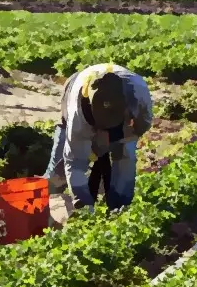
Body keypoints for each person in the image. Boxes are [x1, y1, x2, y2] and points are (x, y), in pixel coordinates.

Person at [47, 62, 153, 215]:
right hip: (74, 86)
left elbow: (143, 125)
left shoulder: (138, 93)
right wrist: (84, 204)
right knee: (62, 165)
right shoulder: (77, 112)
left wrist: (119, 138)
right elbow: (75, 163)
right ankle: (53, 193)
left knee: (126, 154)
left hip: (123, 120)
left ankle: (120, 205)